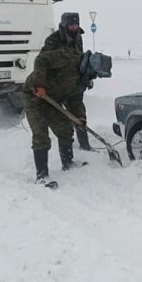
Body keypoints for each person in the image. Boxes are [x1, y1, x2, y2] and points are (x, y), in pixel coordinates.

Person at [22, 12, 88, 187]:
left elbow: (75, 98)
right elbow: (41, 61)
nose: (74, 28)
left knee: (65, 129)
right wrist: (40, 85)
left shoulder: (80, 78)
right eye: (71, 25)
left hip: (53, 97)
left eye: (77, 25)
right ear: (65, 25)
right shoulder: (60, 48)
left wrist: (79, 116)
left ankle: (68, 162)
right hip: (35, 95)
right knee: (41, 135)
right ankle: (42, 175)